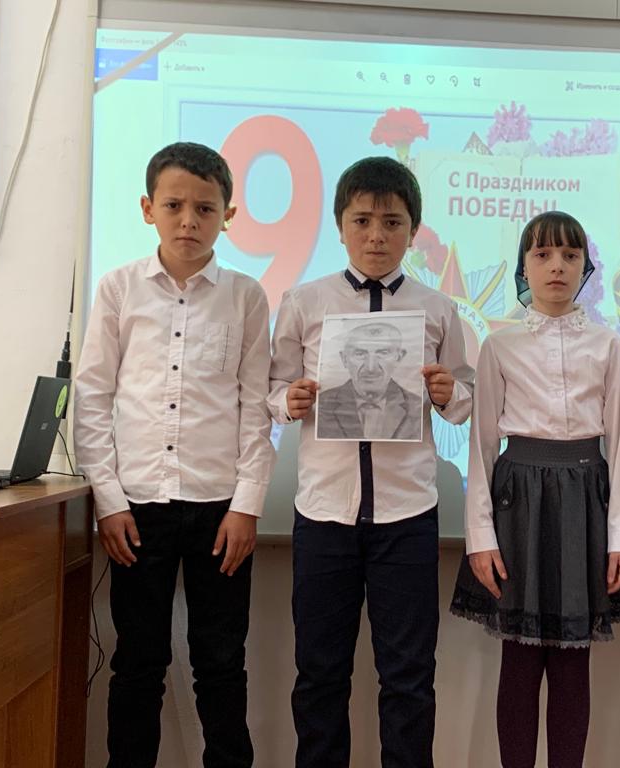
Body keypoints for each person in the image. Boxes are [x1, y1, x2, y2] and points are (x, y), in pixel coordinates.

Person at [268, 156, 474, 768]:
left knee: (409, 679)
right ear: (340, 226)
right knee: (319, 675)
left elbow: (466, 397)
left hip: (407, 517)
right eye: (362, 220)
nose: (376, 235)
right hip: (323, 514)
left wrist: (449, 394)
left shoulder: (440, 308)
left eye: (392, 222)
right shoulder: (304, 301)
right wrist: (288, 400)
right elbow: (273, 387)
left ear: (413, 230)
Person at [74, 141, 274, 768]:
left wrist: (247, 506)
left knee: (222, 663)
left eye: (205, 209)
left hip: (221, 511)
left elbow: (255, 409)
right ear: (148, 209)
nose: (189, 221)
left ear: (227, 216)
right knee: (138, 662)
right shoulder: (118, 289)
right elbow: (92, 397)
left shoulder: (246, 296)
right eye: (174, 206)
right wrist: (108, 501)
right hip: (138, 508)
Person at [450, 211, 620, 768]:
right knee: (519, 660)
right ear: (523, 267)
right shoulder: (499, 344)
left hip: (585, 503)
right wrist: (480, 537)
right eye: (542, 255)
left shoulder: (609, 345)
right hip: (518, 504)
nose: (557, 266)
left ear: (585, 268)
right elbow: (482, 447)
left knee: (573, 663)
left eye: (570, 256)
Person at [317, 320, 421, 440]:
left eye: (383, 353)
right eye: (360, 353)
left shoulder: (416, 406)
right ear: (344, 359)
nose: (371, 368)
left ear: (399, 357)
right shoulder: (322, 405)